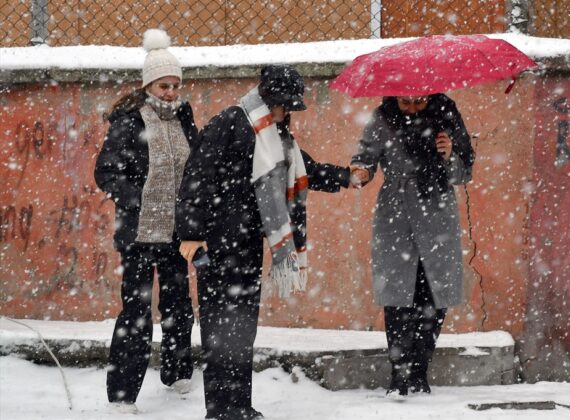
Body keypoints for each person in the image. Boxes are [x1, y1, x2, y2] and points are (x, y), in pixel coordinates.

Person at [176, 65, 349, 420]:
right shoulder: (231, 122)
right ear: (270, 99)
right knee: (219, 328)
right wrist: (191, 234)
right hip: (218, 243)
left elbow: (304, 171)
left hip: (248, 245)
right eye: (285, 105)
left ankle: (239, 405)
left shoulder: (276, 133)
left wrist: (344, 177)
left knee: (241, 327)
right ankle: (220, 409)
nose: (287, 112)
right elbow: (197, 175)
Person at [94, 29, 198, 413]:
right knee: (136, 315)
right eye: (163, 85)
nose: (171, 92)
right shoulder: (128, 121)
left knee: (178, 305)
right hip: (138, 235)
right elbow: (105, 172)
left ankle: (177, 372)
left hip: (175, 232)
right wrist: (137, 199)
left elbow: (195, 166)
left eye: (175, 85)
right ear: (148, 85)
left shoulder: (185, 118)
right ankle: (122, 395)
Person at [349, 94, 475, 397]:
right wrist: (361, 171)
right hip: (396, 213)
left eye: (419, 102)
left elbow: (465, 172)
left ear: (430, 98)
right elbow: (365, 156)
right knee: (398, 296)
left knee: (433, 295)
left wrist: (450, 157)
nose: (412, 109)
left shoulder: (447, 117)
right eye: (405, 103)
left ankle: (420, 371)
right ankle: (399, 375)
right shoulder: (382, 118)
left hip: (437, 213)